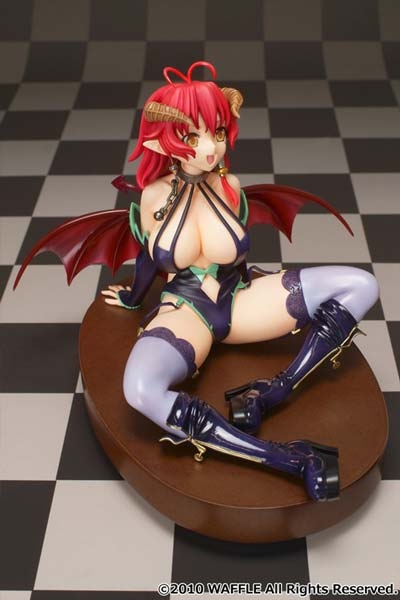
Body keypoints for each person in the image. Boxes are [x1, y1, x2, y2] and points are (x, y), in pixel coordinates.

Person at [100, 61, 379, 503]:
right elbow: (149, 259)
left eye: (215, 131)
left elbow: (237, 254)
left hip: (241, 300)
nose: (210, 147)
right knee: (139, 389)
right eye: (192, 136)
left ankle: (270, 394)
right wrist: (134, 297)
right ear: (160, 140)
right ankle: (290, 457)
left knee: (361, 285)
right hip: (187, 313)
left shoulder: (229, 185)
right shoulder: (153, 196)